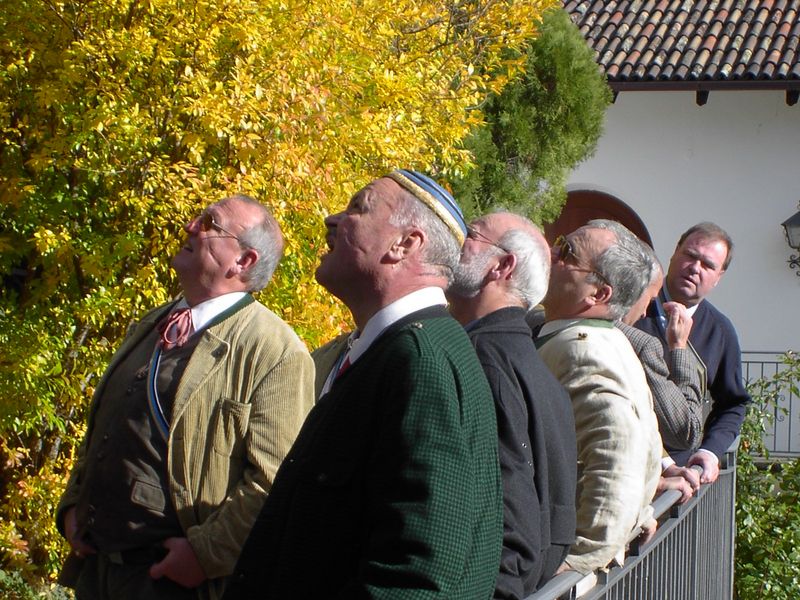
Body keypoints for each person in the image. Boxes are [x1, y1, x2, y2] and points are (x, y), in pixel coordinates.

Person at [225, 170, 503, 599]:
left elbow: (417, 579)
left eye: (358, 207)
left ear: (405, 244)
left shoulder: (420, 360)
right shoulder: (396, 350)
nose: (332, 219)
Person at [55, 194, 315, 600]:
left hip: (170, 585)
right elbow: (107, 423)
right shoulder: (155, 320)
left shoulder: (275, 351)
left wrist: (205, 554)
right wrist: (72, 505)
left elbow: (276, 480)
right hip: (97, 570)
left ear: (243, 261)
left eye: (210, 223)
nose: (191, 226)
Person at [447, 211, 577, 598]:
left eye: (471, 235)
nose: (456, 240)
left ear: (502, 266)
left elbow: (511, 517)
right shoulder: (530, 366)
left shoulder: (482, 361)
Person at [534, 221, 662, 575]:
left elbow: (618, 449)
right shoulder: (605, 339)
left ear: (599, 294)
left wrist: (576, 561)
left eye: (568, 253)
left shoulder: (581, 350)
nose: (552, 252)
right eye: (562, 242)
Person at [635, 222, 751, 483]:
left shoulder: (720, 331)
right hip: (627, 464)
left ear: (718, 276)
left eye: (708, 265)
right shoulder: (631, 308)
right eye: (690, 255)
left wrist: (710, 451)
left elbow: (733, 403)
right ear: (674, 253)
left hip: (681, 480)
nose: (695, 268)